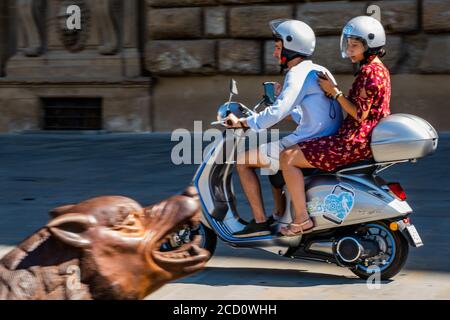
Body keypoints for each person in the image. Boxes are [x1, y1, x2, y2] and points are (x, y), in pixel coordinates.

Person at [224, 19, 342, 238]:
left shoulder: (296, 74)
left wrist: (244, 122)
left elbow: (277, 113)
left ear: (290, 47)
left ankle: (260, 222)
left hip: (308, 142)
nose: (274, 54)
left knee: (242, 161)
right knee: (270, 161)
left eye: (278, 48)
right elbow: (309, 115)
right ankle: (279, 214)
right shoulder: (318, 69)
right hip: (320, 137)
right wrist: (278, 101)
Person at [279, 16, 391, 236]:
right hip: (360, 139)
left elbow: (359, 114)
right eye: (348, 44)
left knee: (287, 157)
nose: (350, 50)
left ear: (371, 46)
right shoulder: (380, 70)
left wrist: (334, 91)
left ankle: (301, 219)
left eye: (355, 46)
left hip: (353, 142)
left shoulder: (370, 73)